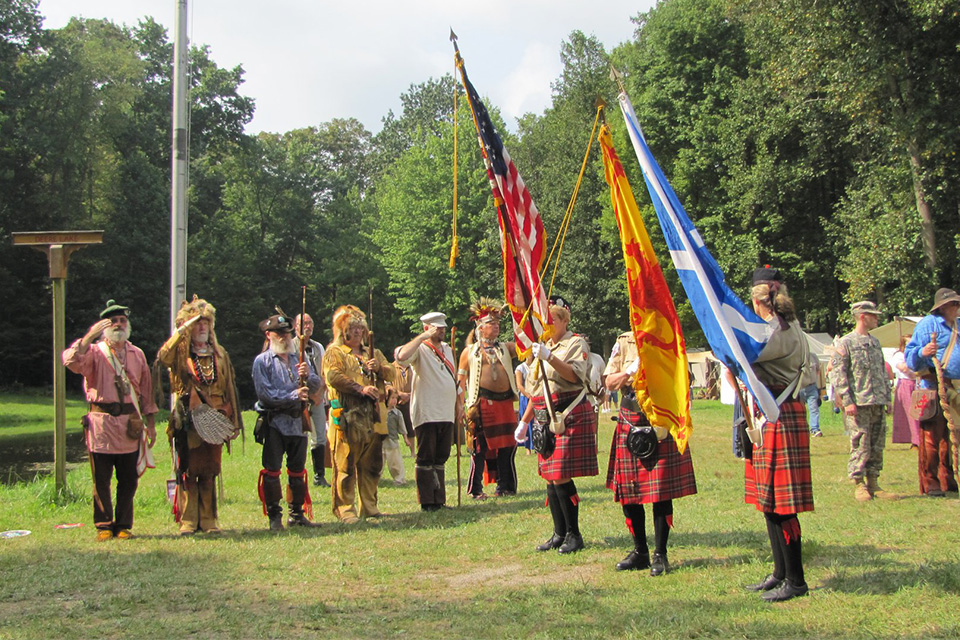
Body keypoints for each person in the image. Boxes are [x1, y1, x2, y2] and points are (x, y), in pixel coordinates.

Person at [742, 268, 812, 602]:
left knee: (783, 506)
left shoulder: (778, 330)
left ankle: (796, 580)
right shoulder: (783, 327)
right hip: (774, 415)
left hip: (780, 414)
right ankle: (780, 572)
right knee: (769, 501)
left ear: (759, 302)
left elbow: (750, 356)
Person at [603, 330, 697, 576]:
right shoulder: (623, 342)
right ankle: (640, 551)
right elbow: (609, 382)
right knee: (629, 492)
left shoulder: (670, 337)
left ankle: (660, 554)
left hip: (659, 417)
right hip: (630, 415)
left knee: (661, 492)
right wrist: (630, 372)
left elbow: (685, 379)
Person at [62, 300, 158, 540]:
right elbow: (70, 361)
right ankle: (104, 525)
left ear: (128, 325)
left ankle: (124, 525)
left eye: (122, 321)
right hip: (102, 426)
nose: (118, 325)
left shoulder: (137, 355)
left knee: (128, 480)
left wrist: (152, 423)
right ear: (104, 327)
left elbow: (146, 391)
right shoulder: (93, 352)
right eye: (113, 322)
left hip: (129, 425)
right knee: (101, 480)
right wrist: (88, 337)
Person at [515, 296, 598, 554]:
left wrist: (550, 357)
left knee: (561, 474)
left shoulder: (575, 343)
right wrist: (524, 421)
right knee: (550, 478)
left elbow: (574, 375)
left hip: (566, 413)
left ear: (564, 319)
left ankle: (574, 534)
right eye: (544, 320)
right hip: (543, 415)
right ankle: (558, 533)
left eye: (552, 319)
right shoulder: (541, 346)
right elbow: (538, 390)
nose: (547, 324)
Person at [156, 296, 242, 535]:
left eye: (205, 322)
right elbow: (162, 357)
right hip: (189, 420)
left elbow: (230, 390)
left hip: (216, 418)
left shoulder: (220, 354)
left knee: (209, 470)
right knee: (188, 471)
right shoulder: (180, 355)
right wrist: (180, 330)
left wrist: (233, 422)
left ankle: (209, 520)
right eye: (197, 323)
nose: (202, 327)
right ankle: (188, 520)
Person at [322, 305, 396, 523]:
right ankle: (345, 509)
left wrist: (379, 369)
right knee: (345, 464)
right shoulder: (334, 353)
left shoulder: (373, 353)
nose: (357, 332)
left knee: (372, 465)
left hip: (374, 417)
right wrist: (360, 389)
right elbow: (333, 376)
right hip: (348, 416)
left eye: (360, 328)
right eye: (352, 328)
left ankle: (370, 507)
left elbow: (393, 371)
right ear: (341, 330)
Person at [252, 312, 323, 530]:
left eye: (287, 333)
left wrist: (308, 373)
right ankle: (274, 516)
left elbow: (316, 384)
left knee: (297, 470)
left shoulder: (298, 358)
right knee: (272, 470)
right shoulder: (262, 361)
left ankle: (297, 514)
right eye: (279, 333)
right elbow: (265, 394)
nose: (284, 337)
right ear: (269, 334)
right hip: (274, 422)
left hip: (298, 422)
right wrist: (293, 396)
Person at [832, 301, 898, 501]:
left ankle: (874, 482)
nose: (877, 319)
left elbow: (882, 372)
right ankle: (859, 483)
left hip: (877, 400)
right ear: (862, 316)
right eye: (873, 315)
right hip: (859, 402)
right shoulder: (846, 343)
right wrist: (847, 400)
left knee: (877, 443)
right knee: (860, 442)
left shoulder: (875, 342)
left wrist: (887, 398)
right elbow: (838, 374)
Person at [396, 312, 458, 511]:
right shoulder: (419, 348)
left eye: (443, 327)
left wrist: (458, 406)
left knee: (441, 456)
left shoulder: (448, 349)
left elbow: (454, 379)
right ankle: (427, 501)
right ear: (426, 328)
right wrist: (422, 338)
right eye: (437, 328)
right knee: (426, 457)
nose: (442, 331)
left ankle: (439, 499)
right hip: (427, 411)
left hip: (446, 411)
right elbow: (401, 357)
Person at [458, 298, 518, 500]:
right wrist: (461, 406)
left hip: (506, 403)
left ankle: (506, 486)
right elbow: (460, 382)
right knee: (479, 447)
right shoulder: (469, 352)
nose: (496, 326)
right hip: (481, 403)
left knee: (508, 445)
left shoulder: (507, 348)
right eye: (491, 323)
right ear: (480, 328)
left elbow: (525, 344)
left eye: (498, 323)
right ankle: (476, 489)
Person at [904, 288, 960, 497]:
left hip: (955, 388)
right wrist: (922, 352)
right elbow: (910, 358)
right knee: (931, 438)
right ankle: (931, 482)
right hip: (932, 387)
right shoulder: (927, 325)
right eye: (954, 304)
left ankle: (948, 479)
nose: (957, 307)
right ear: (943, 306)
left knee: (951, 436)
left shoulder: (958, 325)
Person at [293, 313, 330, 488]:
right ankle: (296, 472)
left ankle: (319, 475)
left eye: (309, 323)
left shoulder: (318, 347)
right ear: (296, 326)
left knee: (320, 437)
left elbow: (324, 372)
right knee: (298, 438)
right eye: (303, 323)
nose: (307, 326)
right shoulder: (291, 346)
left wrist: (319, 394)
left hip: (318, 398)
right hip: (298, 399)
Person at [890, 334, 920, 447]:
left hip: (917, 384)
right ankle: (914, 441)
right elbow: (904, 369)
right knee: (909, 414)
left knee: (919, 413)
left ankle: (919, 439)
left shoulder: (916, 355)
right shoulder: (898, 355)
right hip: (905, 384)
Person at [383, 391, 412, 485]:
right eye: (392, 398)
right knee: (379, 461)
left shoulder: (397, 413)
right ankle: (375, 477)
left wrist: (406, 438)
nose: (394, 401)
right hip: (381, 441)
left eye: (396, 398)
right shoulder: (380, 411)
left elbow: (402, 426)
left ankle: (399, 478)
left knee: (395, 461)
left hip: (392, 441)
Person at [796, 351, 824, 437]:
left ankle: (814, 429)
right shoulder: (794, 356)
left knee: (814, 408)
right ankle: (801, 430)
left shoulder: (813, 356)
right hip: (799, 388)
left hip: (812, 387)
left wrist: (819, 388)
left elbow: (818, 370)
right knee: (799, 410)